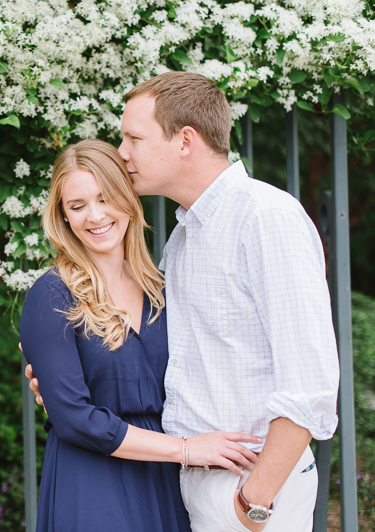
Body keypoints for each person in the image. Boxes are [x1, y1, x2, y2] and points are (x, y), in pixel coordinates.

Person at [26, 72, 340, 532]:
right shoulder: (181, 241)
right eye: (77, 205)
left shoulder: (265, 219)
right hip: (183, 485)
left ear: (185, 140)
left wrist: (255, 502)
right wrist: (61, 383)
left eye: (133, 137)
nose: (123, 152)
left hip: (248, 487)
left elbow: (310, 385)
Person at [20, 138, 260, 532]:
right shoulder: (51, 295)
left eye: (104, 198)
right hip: (92, 484)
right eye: (76, 206)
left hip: (168, 483)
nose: (94, 216)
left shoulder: (166, 289)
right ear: (62, 217)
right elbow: (74, 419)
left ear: (128, 199)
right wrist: (185, 450)